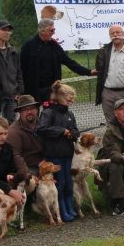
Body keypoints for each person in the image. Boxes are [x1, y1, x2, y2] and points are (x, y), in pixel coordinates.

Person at [20, 19, 94, 102]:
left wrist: (89, 72)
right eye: (51, 30)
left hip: (52, 88)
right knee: (32, 113)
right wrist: (20, 89)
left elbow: (69, 62)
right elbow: (20, 69)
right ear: (42, 31)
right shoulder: (28, 46)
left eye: (54, 30)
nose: (53, 33)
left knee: (53, 112)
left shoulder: (54, 46)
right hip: (33, 89)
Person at [36, 82, 79, 221]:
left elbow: (75, 131)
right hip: (54, 154)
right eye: (69, 97)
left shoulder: (70, 113)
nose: (71, 100)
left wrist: (72, 134)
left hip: (67, 153)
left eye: (72, 97)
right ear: (59, 96)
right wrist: (62, 131)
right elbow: (41, 129)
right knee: (59, 183)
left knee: (68, 182)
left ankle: (70, 207)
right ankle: (60, 210)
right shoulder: (48, 112)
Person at [6, 95, 44, 175]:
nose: (29, 112)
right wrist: (27, 174)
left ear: (37, 109)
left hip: (46, 164)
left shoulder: (44, 124)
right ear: (20, 112)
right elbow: (16, 155)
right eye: (25, 110)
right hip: (28, 168)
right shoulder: (14, 130)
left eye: (32, 108)